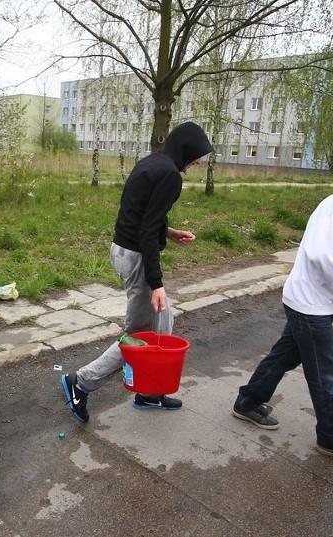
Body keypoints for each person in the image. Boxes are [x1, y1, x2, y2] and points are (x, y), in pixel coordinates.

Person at [231, 150, 333, 463]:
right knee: (325, 373)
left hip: (323, 301)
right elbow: (322, 255)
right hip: (306, 301)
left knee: (284, 355)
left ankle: (248, 402)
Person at [61, 121, 212, 423]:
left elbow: (141, 214)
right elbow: (145, 230)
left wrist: (168, 232)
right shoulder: (170, 175)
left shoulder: (152, 162)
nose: (197, 162)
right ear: (185, 150)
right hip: (137, 256)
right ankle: (81, 382)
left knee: (162, 326)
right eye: (196, 155)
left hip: (124, 249)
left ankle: (149, 390)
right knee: (138, 337)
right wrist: (156, 283)